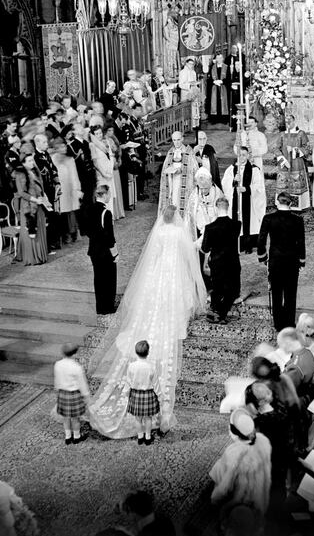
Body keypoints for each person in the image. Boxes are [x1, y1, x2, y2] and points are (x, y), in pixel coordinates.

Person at [87, 205, 207, 439]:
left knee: (157, 295)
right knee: (176, 295)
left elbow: (155, 253)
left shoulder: (160, 232)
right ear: (177, 219)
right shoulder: (178, 232)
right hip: (175, 268)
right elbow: (186, 254)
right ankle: (177, 323)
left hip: (161, 266)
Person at [209, 408, 272, 519]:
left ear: (233, 431)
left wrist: (214, 499)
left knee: (220, 468)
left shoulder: (234, 453)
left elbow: (224, 488)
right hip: (262, 501)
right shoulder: (264, 441)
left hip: (241, 506)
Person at [257, 192, 306, 330]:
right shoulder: (298, 220)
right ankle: (290, 322)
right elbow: (301, 242)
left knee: (276, 292)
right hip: (292, 260)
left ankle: (278, 323)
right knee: (291, 293)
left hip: (275, 260)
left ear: (277, 203)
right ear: (291, 204)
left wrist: (263, 258)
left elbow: (261, 240)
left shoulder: (268, 218)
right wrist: (302, 261)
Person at [201, 196, 241, 325]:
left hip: (217, 262)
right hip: (232, 261)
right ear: (228, 207)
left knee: (217, 288)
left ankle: (214, 313)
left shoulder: (210, 227)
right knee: (233, 290)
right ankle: (220, 314)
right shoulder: (236, 225)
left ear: (216, 208)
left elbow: (205, 248)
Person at [222, 146, 266, 253]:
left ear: (248, 156)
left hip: (249, 201)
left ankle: (248, 245)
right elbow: (225, 184)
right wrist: (233, 181)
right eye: (240, 155)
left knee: (248, 221)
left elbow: (259, 187)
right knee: (236, 219)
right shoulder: (231, 169)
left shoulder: (254, 169)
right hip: (235, 200)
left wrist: (246, 189)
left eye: (244, 155)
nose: (241, 157)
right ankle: (237, 245)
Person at [86, 185, 119, 315]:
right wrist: (115, 253)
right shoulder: (106, 212)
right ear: (104, 195)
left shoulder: (89, 209)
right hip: (105, 252)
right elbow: (109, 236)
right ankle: (108, 307)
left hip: (93, 250)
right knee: (109, 279)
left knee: (98, 279)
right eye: (109, 194)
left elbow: (87, 231)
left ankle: (100, 307)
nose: (109, 196)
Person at [13, 153, 50, 266]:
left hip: (38, 205)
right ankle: (33, 257)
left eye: (32, 160)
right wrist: (35, 200)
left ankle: (40, 255)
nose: (32, 163)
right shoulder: (20, 174)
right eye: (29, 161)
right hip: (28, 207)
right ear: (23, 163)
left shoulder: (34, 172)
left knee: (40, 228)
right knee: (31, 229)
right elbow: (21, 193)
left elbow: (39, 188)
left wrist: (43, 198)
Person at [53, 343, 91, 445]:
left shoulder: (57, 364)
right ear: (74, 354)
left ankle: (68, 437)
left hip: (63, 394)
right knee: (75, 419)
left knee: (66, 417)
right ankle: (77, 437)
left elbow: (57, 380)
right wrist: (86, 395)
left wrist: (57, 390)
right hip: (74, 395)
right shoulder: (77, 367)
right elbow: (82, 384)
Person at [125, 340, 160, 446]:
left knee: (138, 418)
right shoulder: (151, 367)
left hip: (136, 394)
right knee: (148, 417)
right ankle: (148, 437)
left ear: (136, 352)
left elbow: (128, 381)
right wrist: (159, 395)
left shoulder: (131, 366)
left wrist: (127, 393)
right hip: (148, 394)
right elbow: (156, 383)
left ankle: (140, 437)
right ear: (148, 352)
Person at [274, 116, 311, 210]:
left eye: (290, 121)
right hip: (284, 165)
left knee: (296, 183)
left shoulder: (301, 134)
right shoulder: (282, 134)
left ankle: (297, 206)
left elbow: (307, 149)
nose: (288, 123)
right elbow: (276, 148)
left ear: (294, 121)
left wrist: (294, 150)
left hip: (297, 164)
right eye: (286, 122)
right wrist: (282, 159)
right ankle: (282, 205)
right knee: (283, 184)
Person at [158, 131, 197, 219]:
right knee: (173, 200)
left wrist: (182, 170)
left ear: (182, 139)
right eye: (174, 140)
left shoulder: (189, 152)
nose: (176, 142)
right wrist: (169, 170)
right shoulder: (170, 152)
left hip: (184, 183)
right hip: (172, 182)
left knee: (181, 203)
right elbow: (165, 167)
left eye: (178, 140)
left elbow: (194, 169)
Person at [33, 133, 62, 250]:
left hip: (51, 188)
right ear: (38, 143)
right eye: (44, 142)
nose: (47, 144)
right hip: (42, 191)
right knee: (47, 217)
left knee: (54, 215)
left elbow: (53, 169)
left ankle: (54, 241)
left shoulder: (46, 154)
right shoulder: (35, 157)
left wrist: (58, 183)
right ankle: (47, 243)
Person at [50, 138, 83, 243]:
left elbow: (74, 175)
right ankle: (65, 235)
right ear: (57, 148)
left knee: (71, 212)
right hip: (60, 190)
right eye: (62, 146)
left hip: (70, 189)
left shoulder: (70, 159)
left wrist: (77, 189)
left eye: (65, 146)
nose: (64, 148)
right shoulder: (53, 159)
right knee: (62, 213)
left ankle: (74, 233)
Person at [185, 167, 224, 247]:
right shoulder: (194, 195)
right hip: (199, 226)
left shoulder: (217, 193)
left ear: (210, 184)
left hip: (213, 224)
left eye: (205, 188)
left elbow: (221, 210)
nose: (203, 191)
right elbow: (190, 211)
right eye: (201, 188)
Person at [207, 52, 232, 125]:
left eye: (221, 58)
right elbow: (208, 78)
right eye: (218, 58)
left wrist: (221, 81)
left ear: (223, 59)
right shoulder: (212, 67)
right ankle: (214, 119)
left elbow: (229, 78)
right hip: (214, 88)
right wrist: (214, 82)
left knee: (223, 102)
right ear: (216, 59)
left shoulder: (226, 67)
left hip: (224, 88)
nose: (219, 59)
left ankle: (224, 119)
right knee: (214, 102)